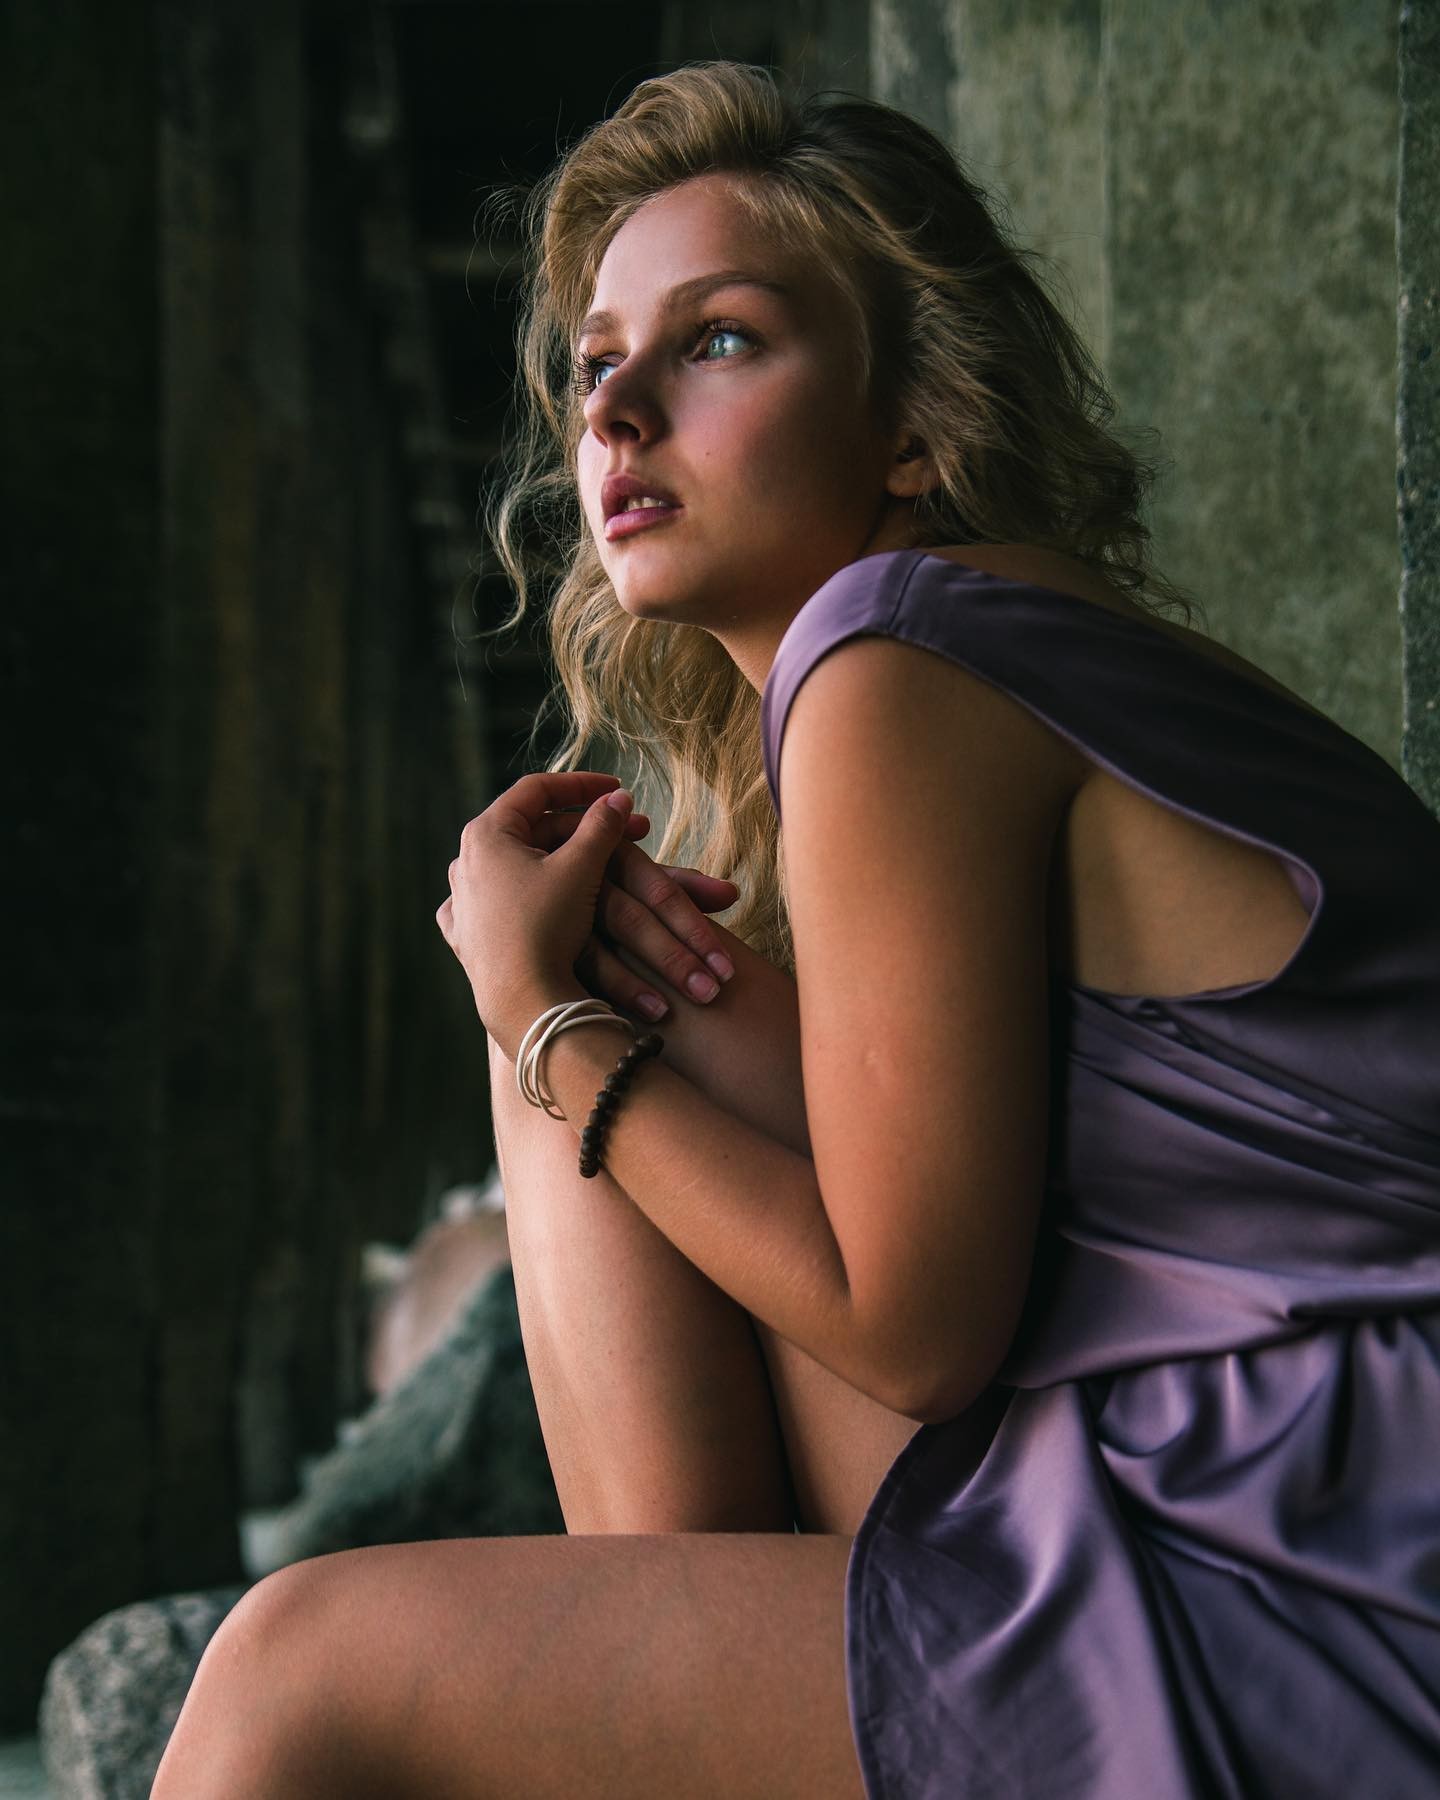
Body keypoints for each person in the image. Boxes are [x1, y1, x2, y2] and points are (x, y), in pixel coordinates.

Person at [152, 59, 1440, 1798]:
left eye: (720, 341)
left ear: (914, 425)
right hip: (1258, 1475)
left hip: (1330, 1570)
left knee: (287, 1673)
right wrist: (561, 1005)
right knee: (613, 972)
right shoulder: (951, 648)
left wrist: (548, 1026)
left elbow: (912, 1334)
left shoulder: (894, 655)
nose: (618, 415)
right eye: (598, 363)